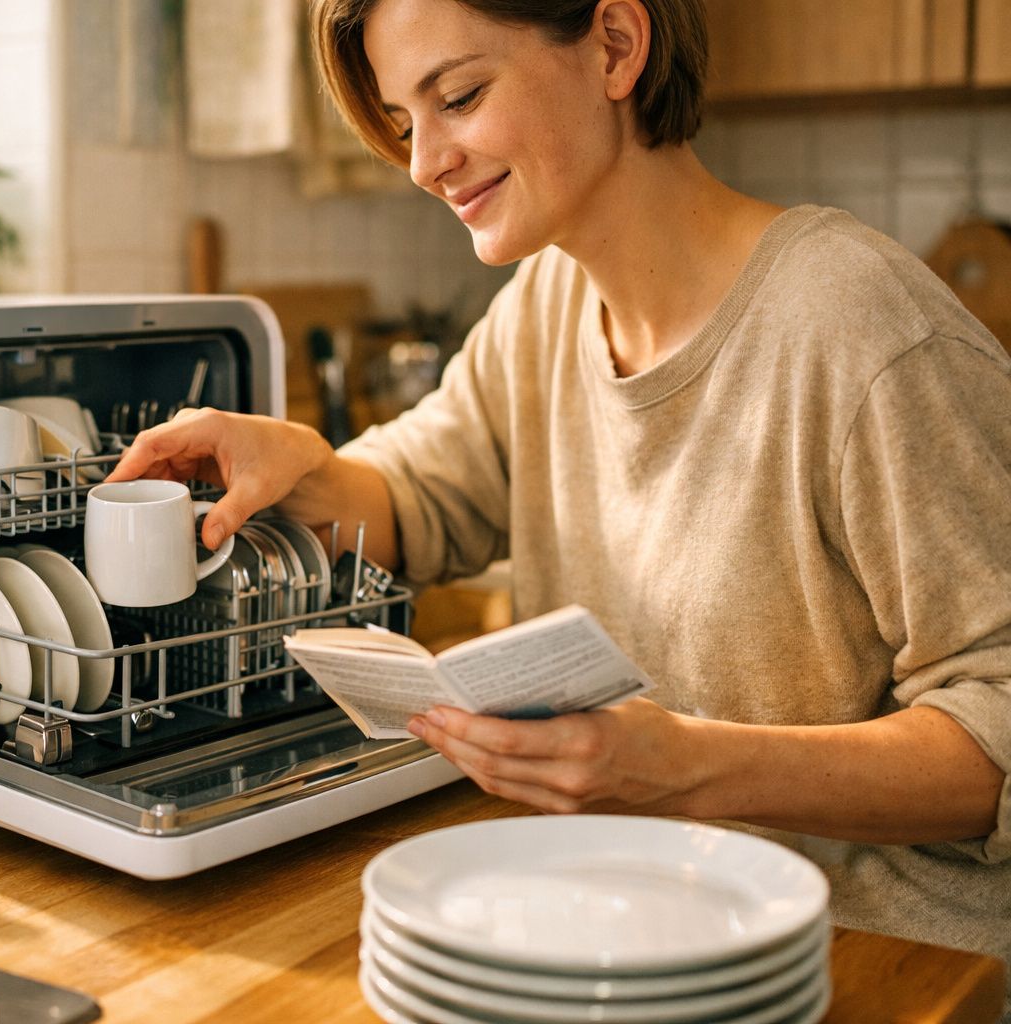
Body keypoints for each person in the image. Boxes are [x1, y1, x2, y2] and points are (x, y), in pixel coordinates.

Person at [107, 0, 1011, 1008]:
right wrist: (301, 466)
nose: (425, 164)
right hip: (625, 936)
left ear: (616, 45)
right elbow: (418, 497)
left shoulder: (859, 326)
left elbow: (999, 725)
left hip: (882, 969)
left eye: (459, 96)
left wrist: (687, 766)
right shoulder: (544, 308)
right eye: (408, 123)